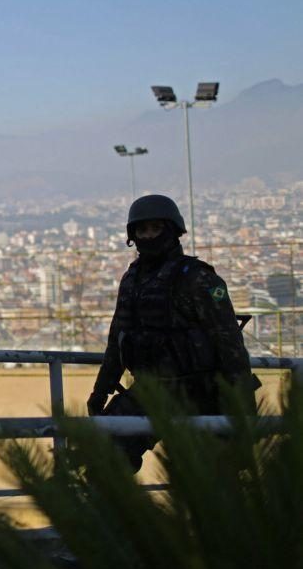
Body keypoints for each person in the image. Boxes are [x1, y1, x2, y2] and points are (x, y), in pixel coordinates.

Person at [86, 194, 257, 471]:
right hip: (151, 391)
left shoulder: (197, 277)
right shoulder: (132, 280)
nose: (149, 236)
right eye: (142, 230)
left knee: (210, 480)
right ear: (133, 235)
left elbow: (229, 343)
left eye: (156, 228)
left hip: (199, 395)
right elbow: (117, 340)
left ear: (172, 230)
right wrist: (101, 390)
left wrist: (241, 403)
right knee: (102, 453)